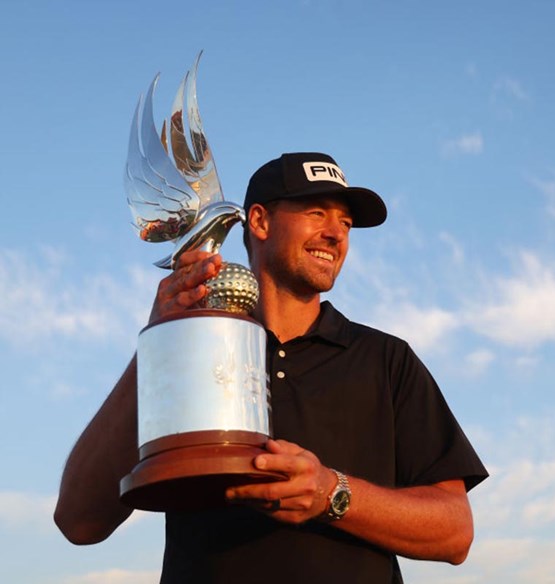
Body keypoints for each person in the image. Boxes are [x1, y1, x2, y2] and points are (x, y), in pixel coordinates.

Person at [54, 152, 488, 583]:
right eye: (318, 212)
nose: (336, 234)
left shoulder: (385, 358)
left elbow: (455, 532)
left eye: (346, 223)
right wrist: (162, 341)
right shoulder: (195, 353)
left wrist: (330, 494)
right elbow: (79, 521)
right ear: (259, 222)